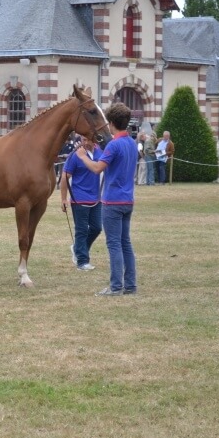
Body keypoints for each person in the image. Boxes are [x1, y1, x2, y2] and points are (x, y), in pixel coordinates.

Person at [75, 102, 136, 296]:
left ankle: (116, 287)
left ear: (110, 123)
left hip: (112, 201)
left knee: (114, 244)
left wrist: (83, 156)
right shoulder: (131, 143)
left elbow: (96, 168)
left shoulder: (113, 145)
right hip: (128, 200)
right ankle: (130, 285)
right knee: (125, 243)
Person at [60, 135, 102, 271]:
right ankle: (82, 262)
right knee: (81, 230)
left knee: (97, 228)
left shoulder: (100, 151)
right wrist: (63, 198)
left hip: (96, 198)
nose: (86, 142)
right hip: (79, 198)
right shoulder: (75, 155)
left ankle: (78, 248)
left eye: (89, 139)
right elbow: (65, 177)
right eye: (83, 139)